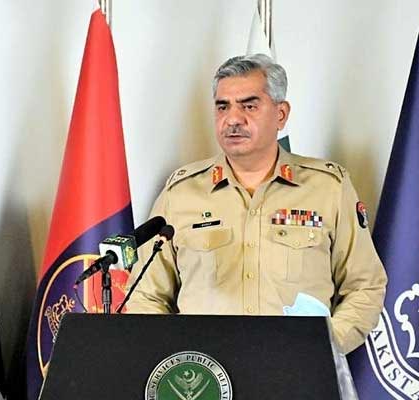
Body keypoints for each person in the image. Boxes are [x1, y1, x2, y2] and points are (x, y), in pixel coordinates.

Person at [127, 54, 386, 354]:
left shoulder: (328, 188)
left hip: (298, 375)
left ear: (281, 114)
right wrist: (178, 358)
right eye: (223, 107)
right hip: (205, 379)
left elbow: (365, 286)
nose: (233, 119)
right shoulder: (180, 193)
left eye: (249, 106)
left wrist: (323, 349)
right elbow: (147, 295)